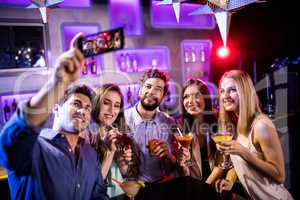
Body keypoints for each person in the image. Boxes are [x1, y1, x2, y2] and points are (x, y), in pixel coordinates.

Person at [0, 34, 109, 200]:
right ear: (56, 107)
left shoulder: (90, 154)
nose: (83, 111)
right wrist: (57, 83)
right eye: (77, 104)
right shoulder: (35, 147)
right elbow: (10, 145)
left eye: (88, 108)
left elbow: (98, 195)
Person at [215, 70, 293, 199]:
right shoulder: (235, 126)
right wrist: (230, 182)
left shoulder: (261, 125)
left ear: (245, 93)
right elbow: (246, 166)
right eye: (222, 91)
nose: (225, 96)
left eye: (232, 90)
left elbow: (280, 176)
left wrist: (244, 152)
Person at [84, 83, 140, 198]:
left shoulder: (121, 132)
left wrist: (123, 164)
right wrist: (109, 152)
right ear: (96, 104)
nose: (111, 110)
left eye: (116, 105)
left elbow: (128, 175)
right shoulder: (85, 137)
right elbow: (92, 184)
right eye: (106, 103)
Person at [124, 69, 177, 183]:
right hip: (130, 188)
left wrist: (167, 156)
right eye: (148, 86)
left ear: (163, 97)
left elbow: (170, 169)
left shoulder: (169, 123)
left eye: (158, 89)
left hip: (159, 186)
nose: (151, 92)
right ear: (140, 91)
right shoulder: (123, 119)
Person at [175, 78, 220, 183]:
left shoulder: (219, 121)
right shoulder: (180, 128)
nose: (190, 101)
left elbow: (225, 162)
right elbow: (183, 174)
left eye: (196, 95)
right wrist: (183, 165)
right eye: (186, 97)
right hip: (195, 187)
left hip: (218, 185)